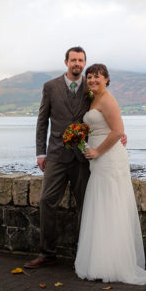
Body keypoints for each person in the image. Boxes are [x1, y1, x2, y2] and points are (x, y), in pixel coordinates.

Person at [75, 63, 146, 285]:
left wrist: (98, 150)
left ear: (107, 79)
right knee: (102, 207)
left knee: (110, 206)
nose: (92, 80)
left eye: (97, 77)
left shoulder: (108, 99)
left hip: (109, 158)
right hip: (98, 158)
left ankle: (113, 265)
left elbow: (118, 131)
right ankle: (100, 261)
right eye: (89, 77)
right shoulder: (91, 98)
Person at [24, 46, 92, 269]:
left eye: (81, 61)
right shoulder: (50, 87)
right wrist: (40, 153)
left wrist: (119, 133)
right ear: (66, 62)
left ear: (84, 63)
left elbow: (104, 114)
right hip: (55, 155)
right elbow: (42, 121)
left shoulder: (91, 87)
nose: (77, 64)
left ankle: (85, 254)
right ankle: (47, 253)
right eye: (73, 60)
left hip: (82, 157)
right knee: (46, 201)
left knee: (86, 205)